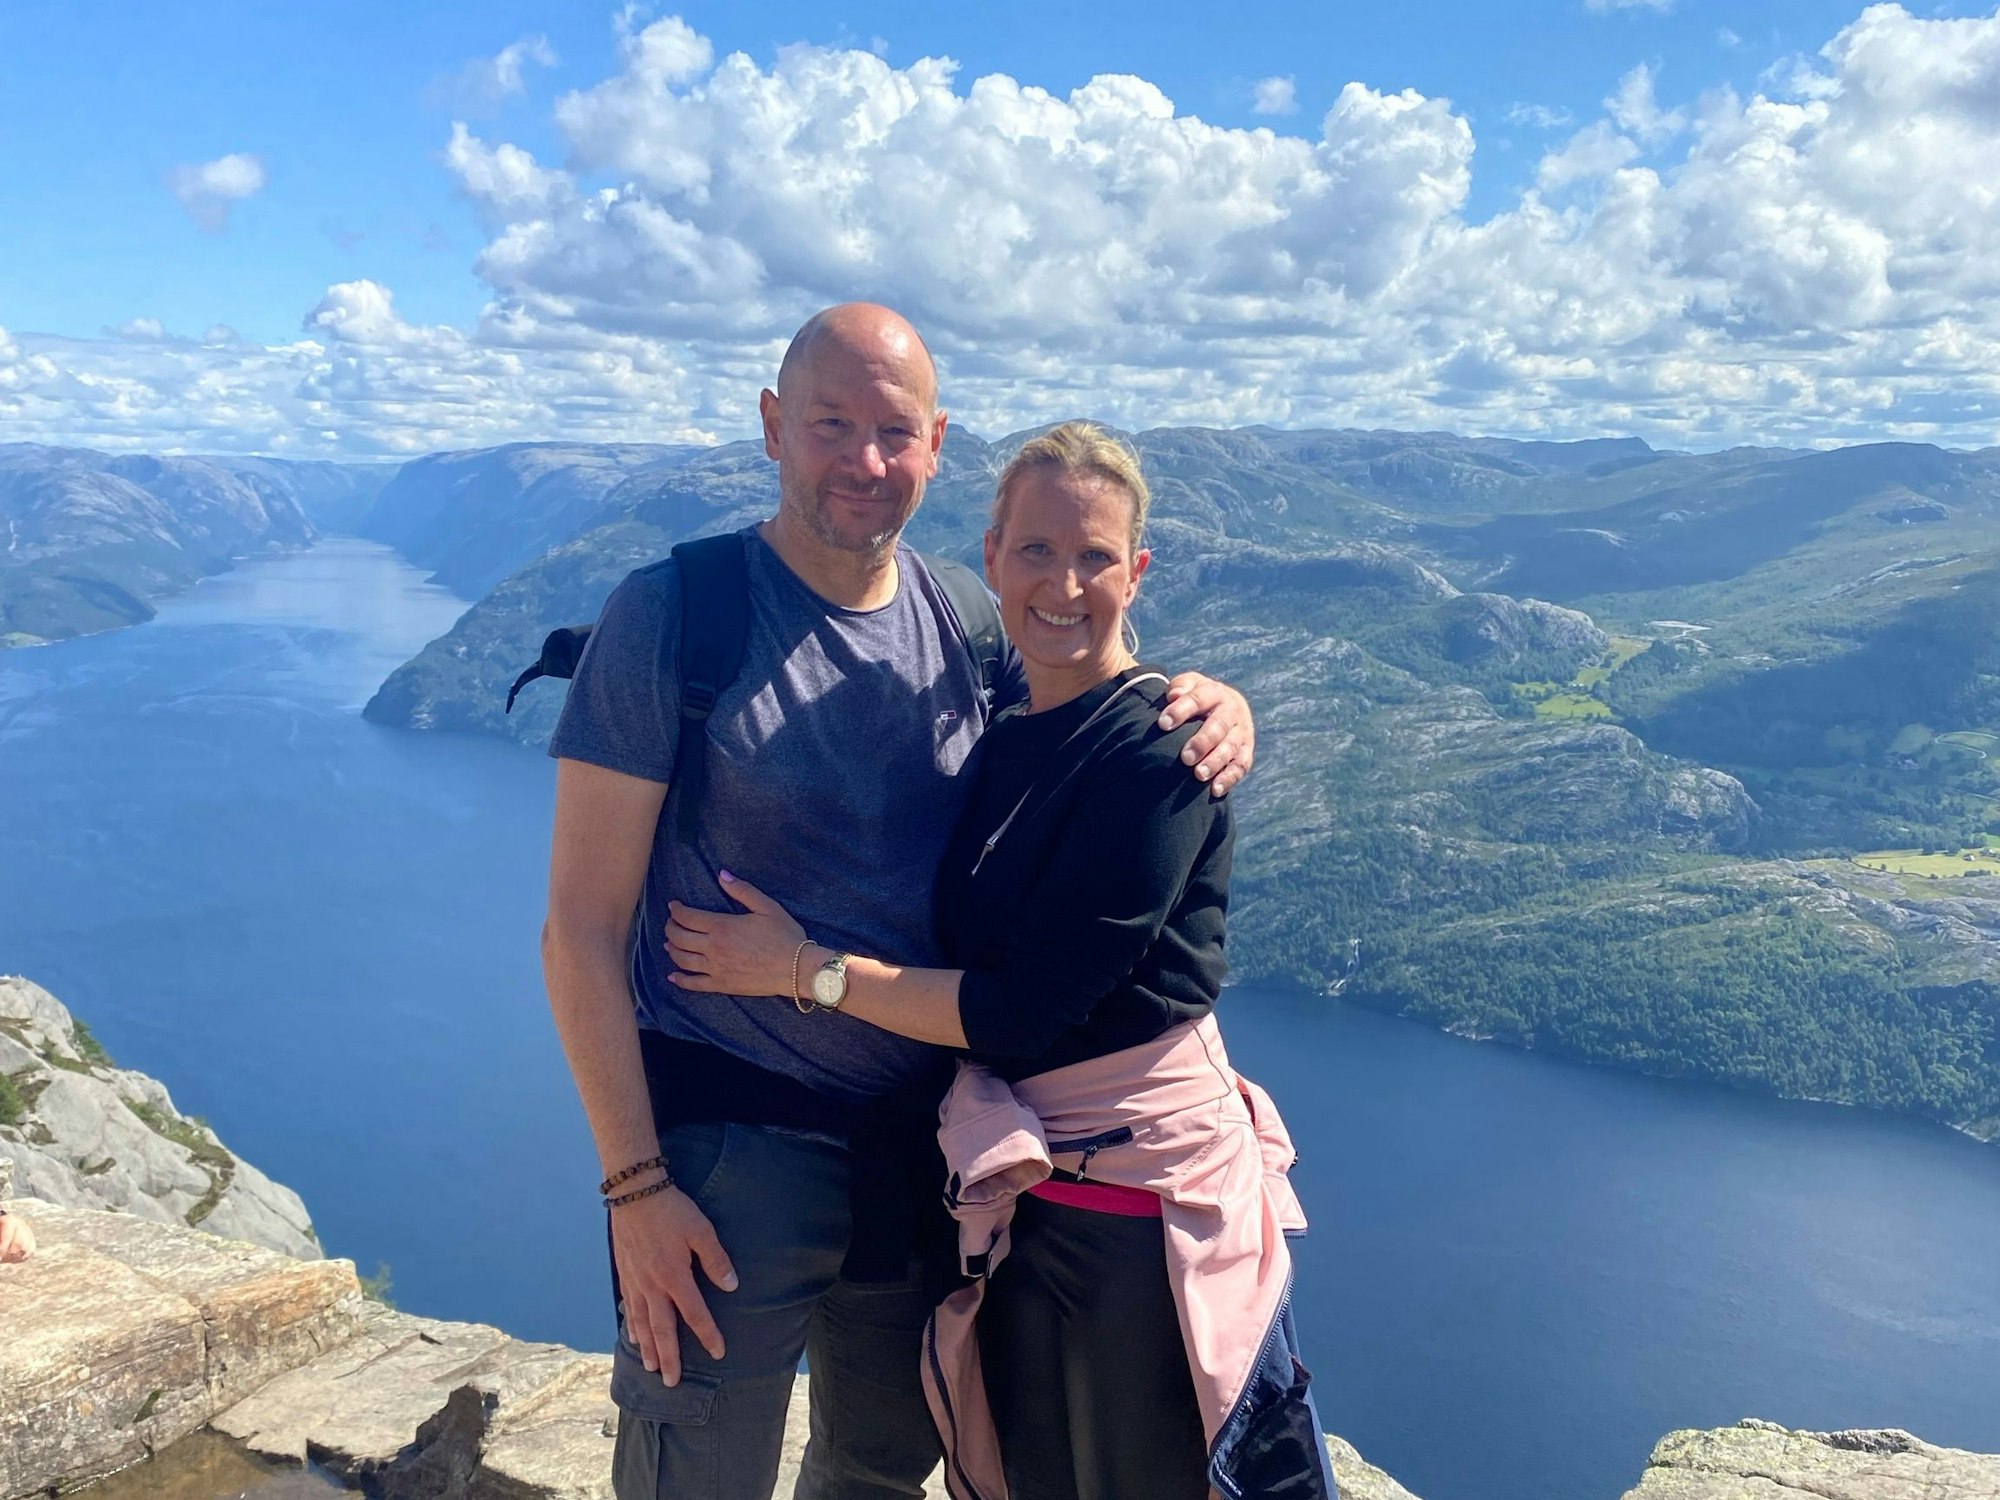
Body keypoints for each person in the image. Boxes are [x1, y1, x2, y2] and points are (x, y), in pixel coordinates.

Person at [542, 304, 1257, 1500]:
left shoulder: (964, 619)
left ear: (935, 443)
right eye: (830, 424)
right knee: (690, 1476)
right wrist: (635, 1188)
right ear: (772, 426)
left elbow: (1079, 701)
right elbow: (579, 928)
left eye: (893, 432)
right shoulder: (677, 616)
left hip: (919, 1153)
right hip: (730, 1150)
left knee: (877, 1471)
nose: (864, 462)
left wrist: (1216, 703)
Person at [666, 423, 1332, 1500]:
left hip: (1134, 1220)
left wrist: (802, 969)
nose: (1062, 586)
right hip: (1031, 1200)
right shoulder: (1008, 727)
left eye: (1094, 557)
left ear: (1137, 572)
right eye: (1035, 551)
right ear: (991, 557)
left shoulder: (1160, 754)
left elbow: (1022, 1011)